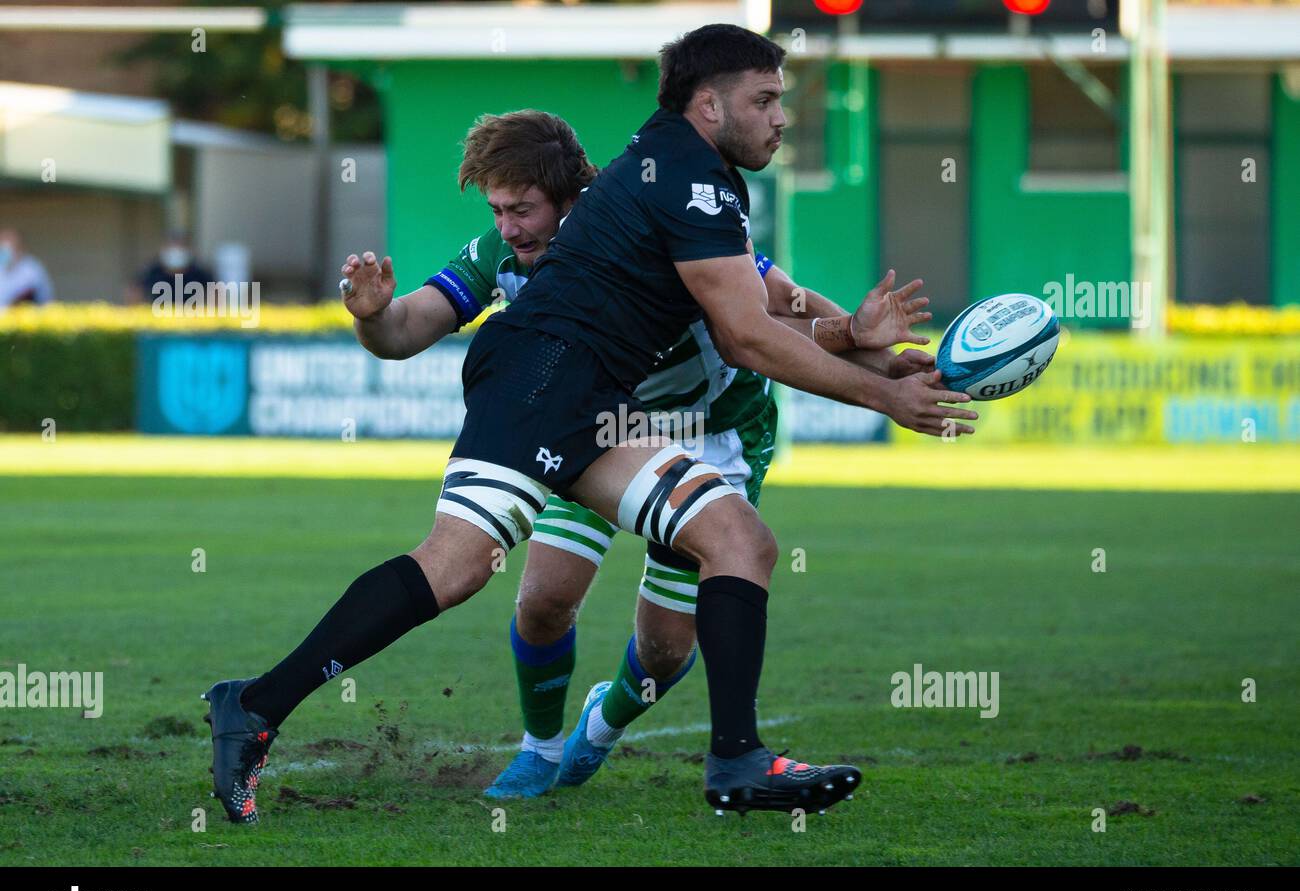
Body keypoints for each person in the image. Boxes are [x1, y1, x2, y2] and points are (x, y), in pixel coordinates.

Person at [203, 23, 975, 823]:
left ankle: (738, 760)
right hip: (541, 382)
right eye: (767, 99)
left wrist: (881, 360)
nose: (782, 117)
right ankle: (255, 706)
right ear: (709, 106)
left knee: (741, 541)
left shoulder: (684, 172)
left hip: (599, 406)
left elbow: (771, 316)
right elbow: (748, 334)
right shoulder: (690, 183)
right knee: (459, 567)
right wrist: (884, 396)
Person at [339, 109, 937, 800]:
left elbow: (783, 309)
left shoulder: (661, 222)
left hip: (710, 434)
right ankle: (539, 748)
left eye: (523, 209)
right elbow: (409, 327)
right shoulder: (499, 255)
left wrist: (872, 349)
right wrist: (374, 316)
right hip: (598, 429)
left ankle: (603, 723)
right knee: (542, 601)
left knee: (664, 647)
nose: (508, 228)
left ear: (572, 194)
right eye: (498, 210)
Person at [129, 231, 213, 304]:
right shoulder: (152, 271)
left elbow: (215, 295)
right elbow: (134, 292)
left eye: (181, 246)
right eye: (172, 245)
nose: (176, 251)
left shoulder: (199, 272)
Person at [0, 229, 54, 308]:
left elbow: (44, 298)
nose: (4, 252)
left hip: (27, 317)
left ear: (19, 248)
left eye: (8, 248)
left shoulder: (32, 269)